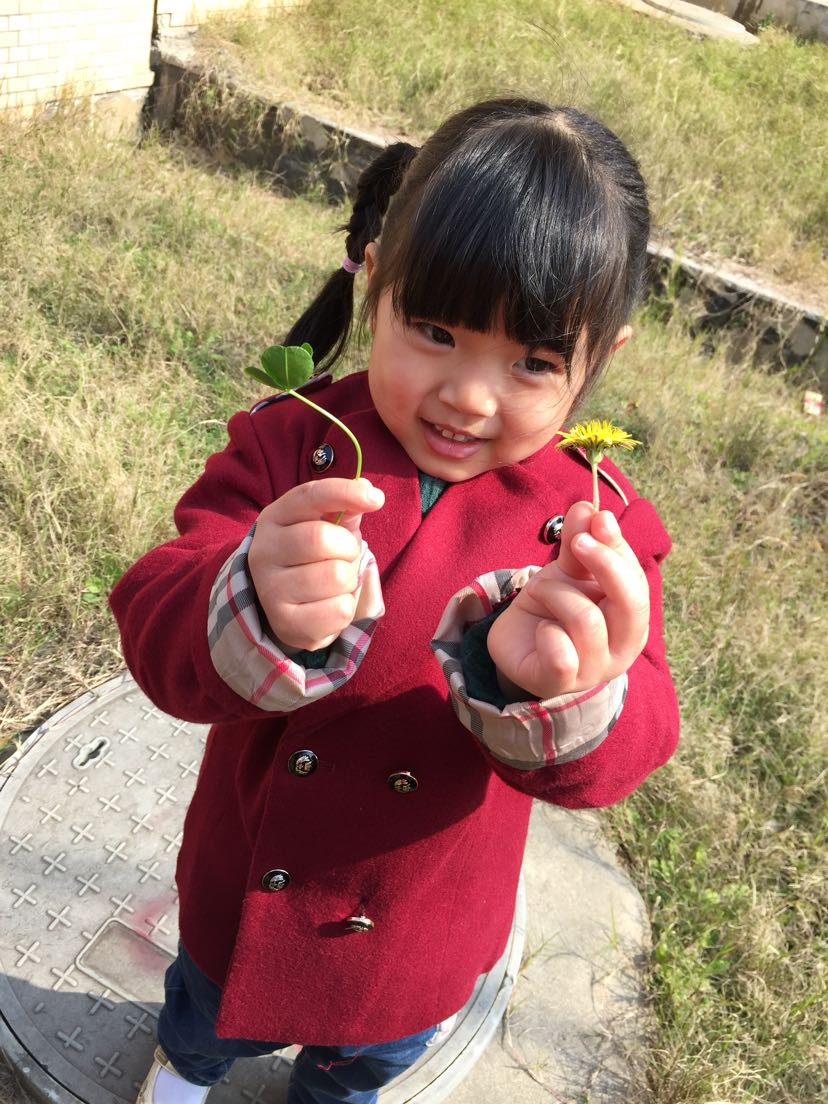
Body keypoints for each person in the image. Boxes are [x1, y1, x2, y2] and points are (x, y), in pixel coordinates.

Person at [110, 98, 679, 1104]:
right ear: (375, 282)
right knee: (204, 1013)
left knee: (363, 1063)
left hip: (420, 919)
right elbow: (154, 614)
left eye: (534, 361)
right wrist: (247, 592)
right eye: (434, 330)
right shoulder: (294, 441)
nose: (469, 394)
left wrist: (580, 688)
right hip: (250, 876)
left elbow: (641, 736)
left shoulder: (598, 523)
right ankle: (186, 1074)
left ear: (602, 358)